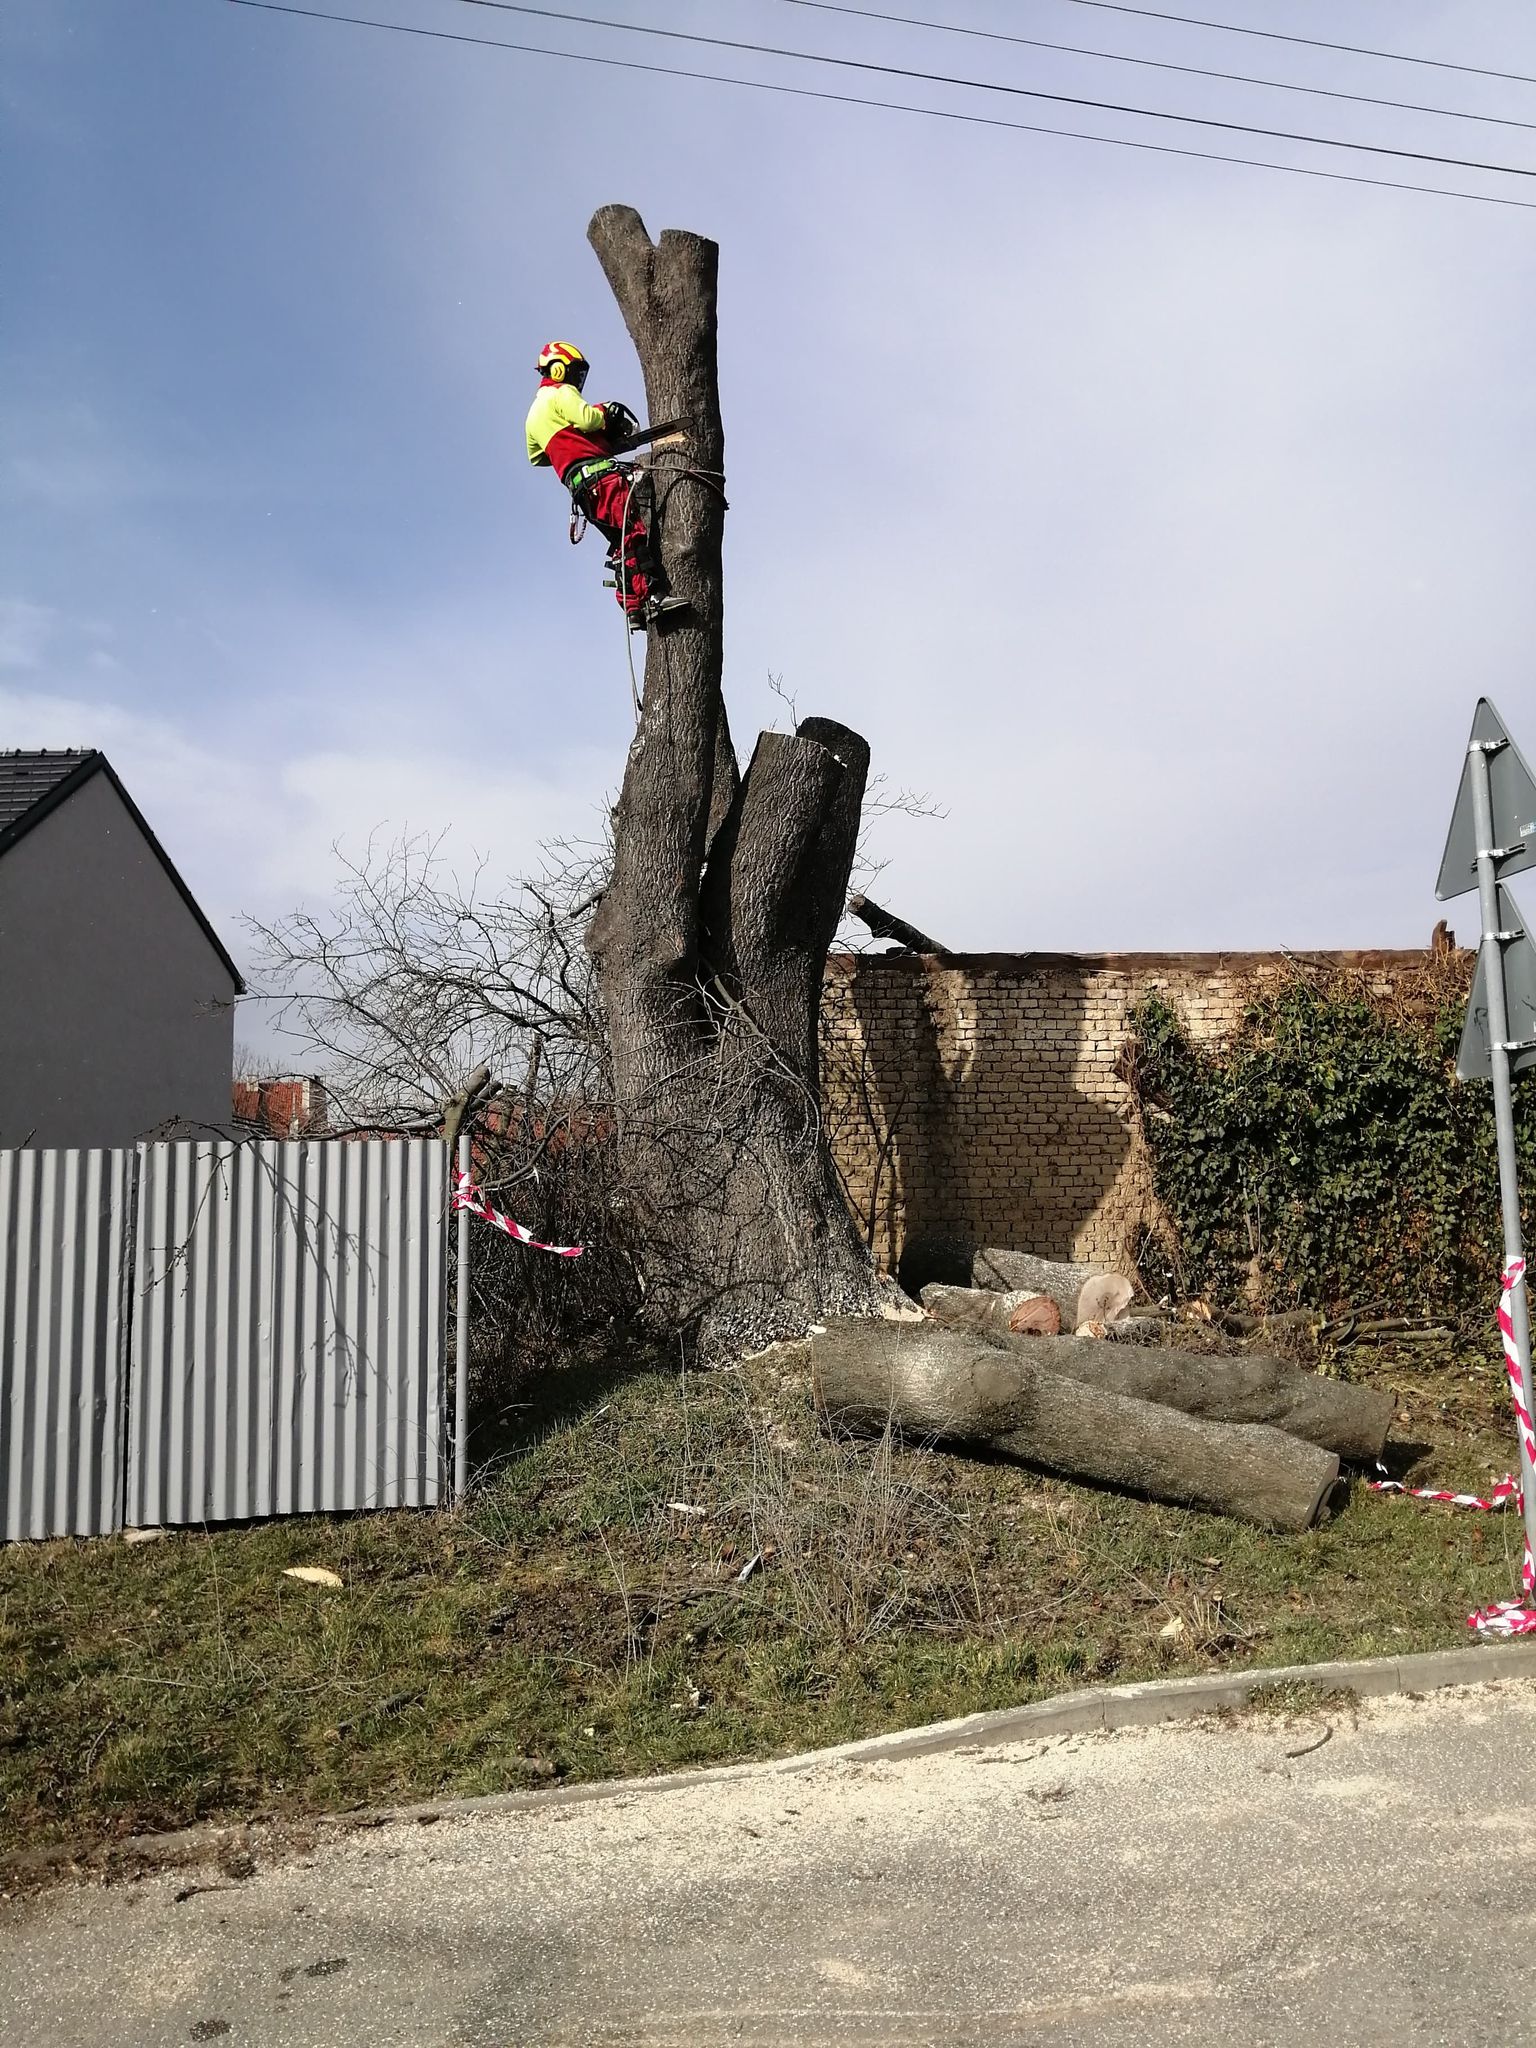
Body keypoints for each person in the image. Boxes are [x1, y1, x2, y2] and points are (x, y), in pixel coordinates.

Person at [525, 340, 685, 630]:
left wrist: (573, 445)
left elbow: (537, 457)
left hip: (582, 490)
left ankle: (632, 607)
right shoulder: (561, 393)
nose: (577, 380)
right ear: (559, 369)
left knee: (620, 542)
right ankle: (653, 597)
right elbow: (588, 419)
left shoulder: (534, 415)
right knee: (633, 534)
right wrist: (605, 413)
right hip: (602, 478)